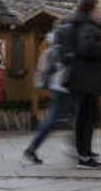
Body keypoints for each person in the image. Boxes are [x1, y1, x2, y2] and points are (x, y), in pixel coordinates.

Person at [63, 0, 101, 169]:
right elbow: (86, 48)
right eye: (97, 9)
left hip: (86, 79)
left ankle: (86, 151)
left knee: (88, 118)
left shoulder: (84, 24)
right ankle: (83, 156)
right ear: (90, 10)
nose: (99, 12)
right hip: (84, 80)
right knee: (85, 118)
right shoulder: (85, 26)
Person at [24, 28, 71, 164]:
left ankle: (33, 147)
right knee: (54, 120)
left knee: (56, 119)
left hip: (59, 87)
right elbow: (63, 65)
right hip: (63, 87)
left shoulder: (54, 44)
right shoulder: (60, 45)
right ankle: (32, 148)